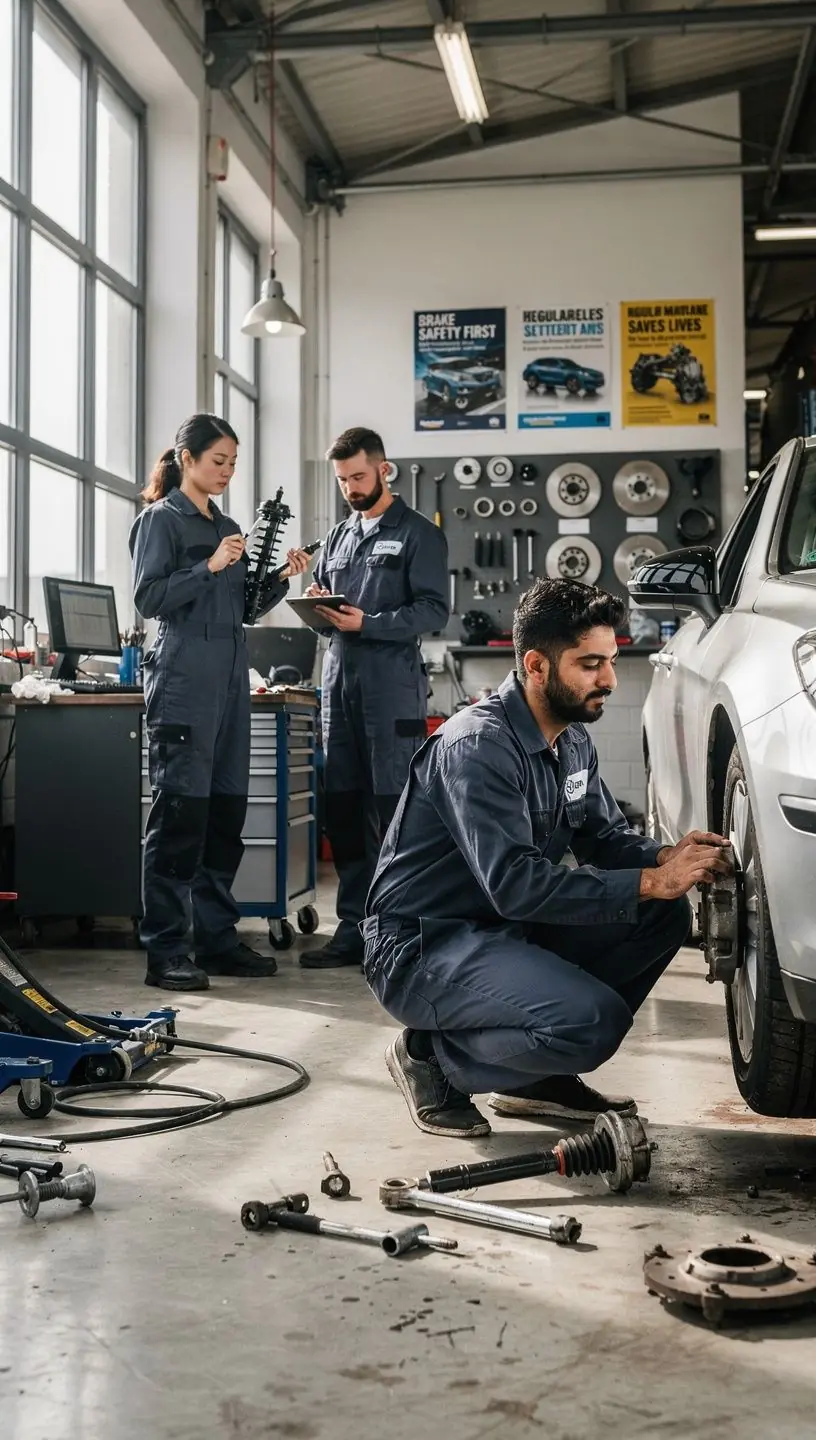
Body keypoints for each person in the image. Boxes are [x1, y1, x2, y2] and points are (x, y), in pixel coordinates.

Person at [362, 578, 732, 1138]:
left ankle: (532, 1073)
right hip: (423, 943)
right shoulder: (477, 748)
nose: (608, 678)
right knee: (591, 1023)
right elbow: (516, 885)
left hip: (500, 927)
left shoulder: (571, 737)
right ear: (536, 665)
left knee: (661, 914)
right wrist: (652, 880)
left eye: (608, 660)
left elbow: (603, 838)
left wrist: (666, 855)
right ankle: (431, 1059)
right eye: (590, 664)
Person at [130, 412, 313, 991]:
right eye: (218, 461)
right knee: (180, 818)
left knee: (225, 816)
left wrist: (282, 578)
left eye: (234, 463)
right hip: (185, 676)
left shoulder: (229, 523)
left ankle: (215, 939)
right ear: (187, 459)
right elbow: (149, 597)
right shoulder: (161, 520)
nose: (228, 472)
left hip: (233, 680)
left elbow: (242, 610)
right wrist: (207, 565)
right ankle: (166, 951)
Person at [299, 426, 449, 969]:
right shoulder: (338, 538)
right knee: (342, 809)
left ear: (384, 469)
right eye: (341, 480)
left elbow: (434, 611)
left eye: (358, 476)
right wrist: (319, 608)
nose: (350, 488)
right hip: (338, 689)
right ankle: (353, 927)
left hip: (391, 693)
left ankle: (401, 932)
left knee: (394, 812)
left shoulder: (418, 534)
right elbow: (330, 626)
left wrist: (371, 622)